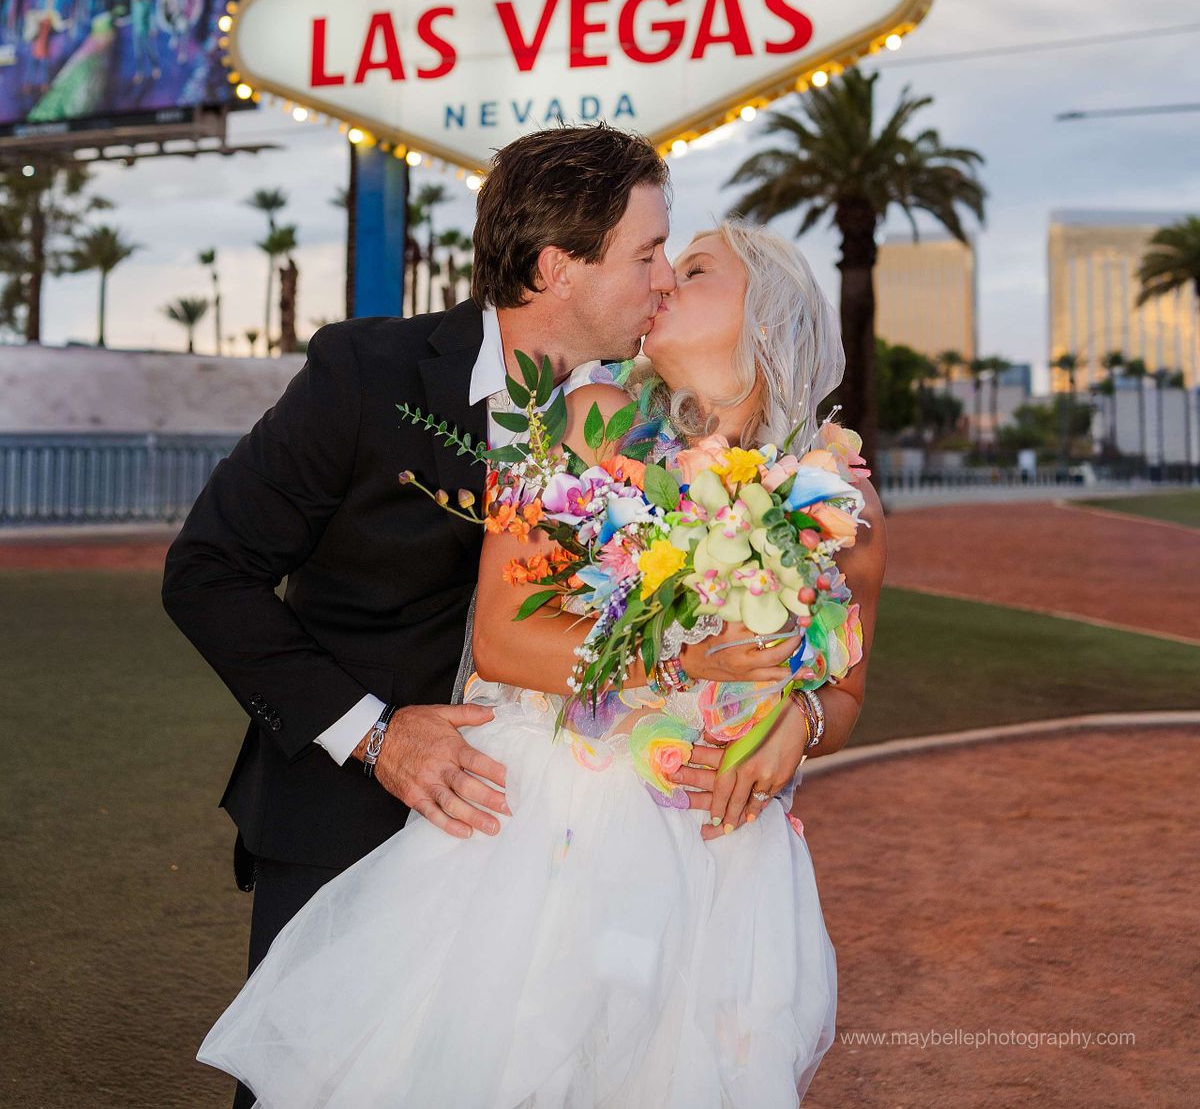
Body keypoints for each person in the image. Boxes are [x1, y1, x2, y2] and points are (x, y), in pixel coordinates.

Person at [194, 218, 887, 1107]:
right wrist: (681, 662)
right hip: (542, 823)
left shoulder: (842, 500)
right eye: (661, 257)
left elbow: (848, 686)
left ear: (770, 315)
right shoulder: (589, 421)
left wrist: (804, 720)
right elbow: (500, 638)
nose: (666, 278)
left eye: (698, 267)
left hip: (717, 855)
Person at [163, 124, 679, 1109]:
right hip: (345, 817)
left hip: (542, 839)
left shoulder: (638, 420)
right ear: (557, 267)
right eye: (647, 253)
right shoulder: (368, 376)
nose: (662, 279)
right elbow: (207, 571)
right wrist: (373, 736)